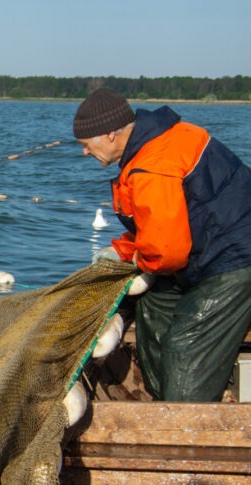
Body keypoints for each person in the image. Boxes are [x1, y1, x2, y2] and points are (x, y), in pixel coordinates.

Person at [73, 87, 251, 401]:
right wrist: (123, 250)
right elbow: (159, 223)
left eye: (88, 144)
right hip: (203, 254)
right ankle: (161, 397)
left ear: (111, 134)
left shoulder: (151, 166)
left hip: (234, 259)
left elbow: (166, 252)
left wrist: (136, 260)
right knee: (152, 308)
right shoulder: (151, 145)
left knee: (184, 344)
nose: (85, 152)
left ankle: (181, 416)